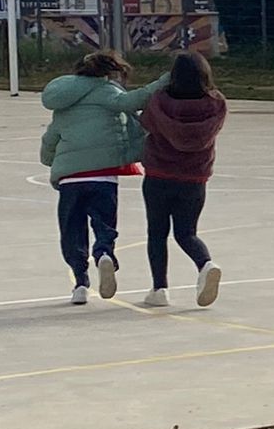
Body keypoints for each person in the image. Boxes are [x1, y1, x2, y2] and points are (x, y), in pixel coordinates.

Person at [39, 50, 170, 305]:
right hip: (103, 176)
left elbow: (50, 139)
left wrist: (50, 160)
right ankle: (104, 254)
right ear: (108, 72)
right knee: (104, 224)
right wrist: (164, 80)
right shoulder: (107, 91)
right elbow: (137, 100)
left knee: (72, 230)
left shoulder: (63, 104)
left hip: (70, 179)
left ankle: (80, 283)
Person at [138, 50, 229, 308]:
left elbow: (145, 122)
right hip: (194, 177)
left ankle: (160, 289)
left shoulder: (159, 101)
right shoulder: (215, 104)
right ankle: (205, 264)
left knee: (157, 233)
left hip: (159, 174)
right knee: (186, 233)